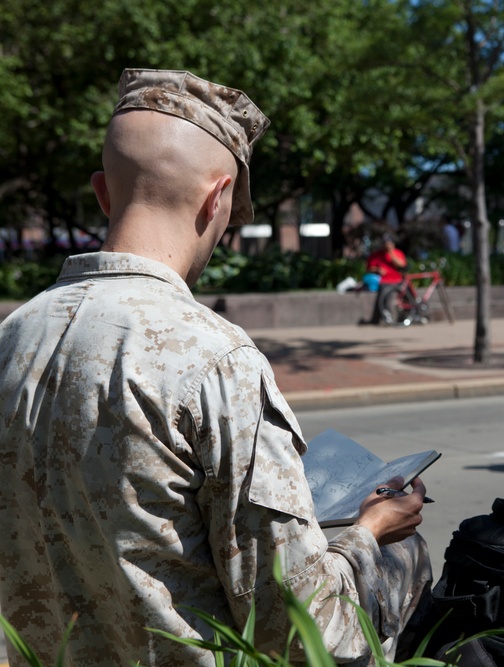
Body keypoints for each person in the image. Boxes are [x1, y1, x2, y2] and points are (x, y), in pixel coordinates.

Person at [0, 69, 432, 666]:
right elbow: (300, 628)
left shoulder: (12, 334)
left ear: (103, 192)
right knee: (404, 558)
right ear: (217, 197)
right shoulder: (214, 358)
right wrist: (369, 533)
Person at [363, 232, 408, 324]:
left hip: (398, 279)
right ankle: (386, 316)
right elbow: (368, 268)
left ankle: (409, 316)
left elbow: (402, 265)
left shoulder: (398, 253)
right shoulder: (376, 255)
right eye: (385, 243)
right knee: (385, 296)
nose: (386, 245)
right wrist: (377, 269)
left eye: (389, 242)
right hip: (384, 280)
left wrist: (390, 252)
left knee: (407, 294)